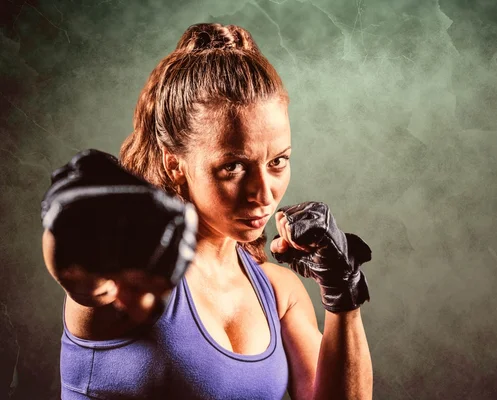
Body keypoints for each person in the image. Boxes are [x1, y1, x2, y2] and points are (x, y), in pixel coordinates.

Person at [41, 23, 373, 399]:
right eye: (232, 167)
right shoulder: (132, 283)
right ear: (175, 165)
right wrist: (68, 213)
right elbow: (77, 274)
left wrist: (342, 294)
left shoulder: (279, 293)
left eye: (278, 162)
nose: (263, 192)